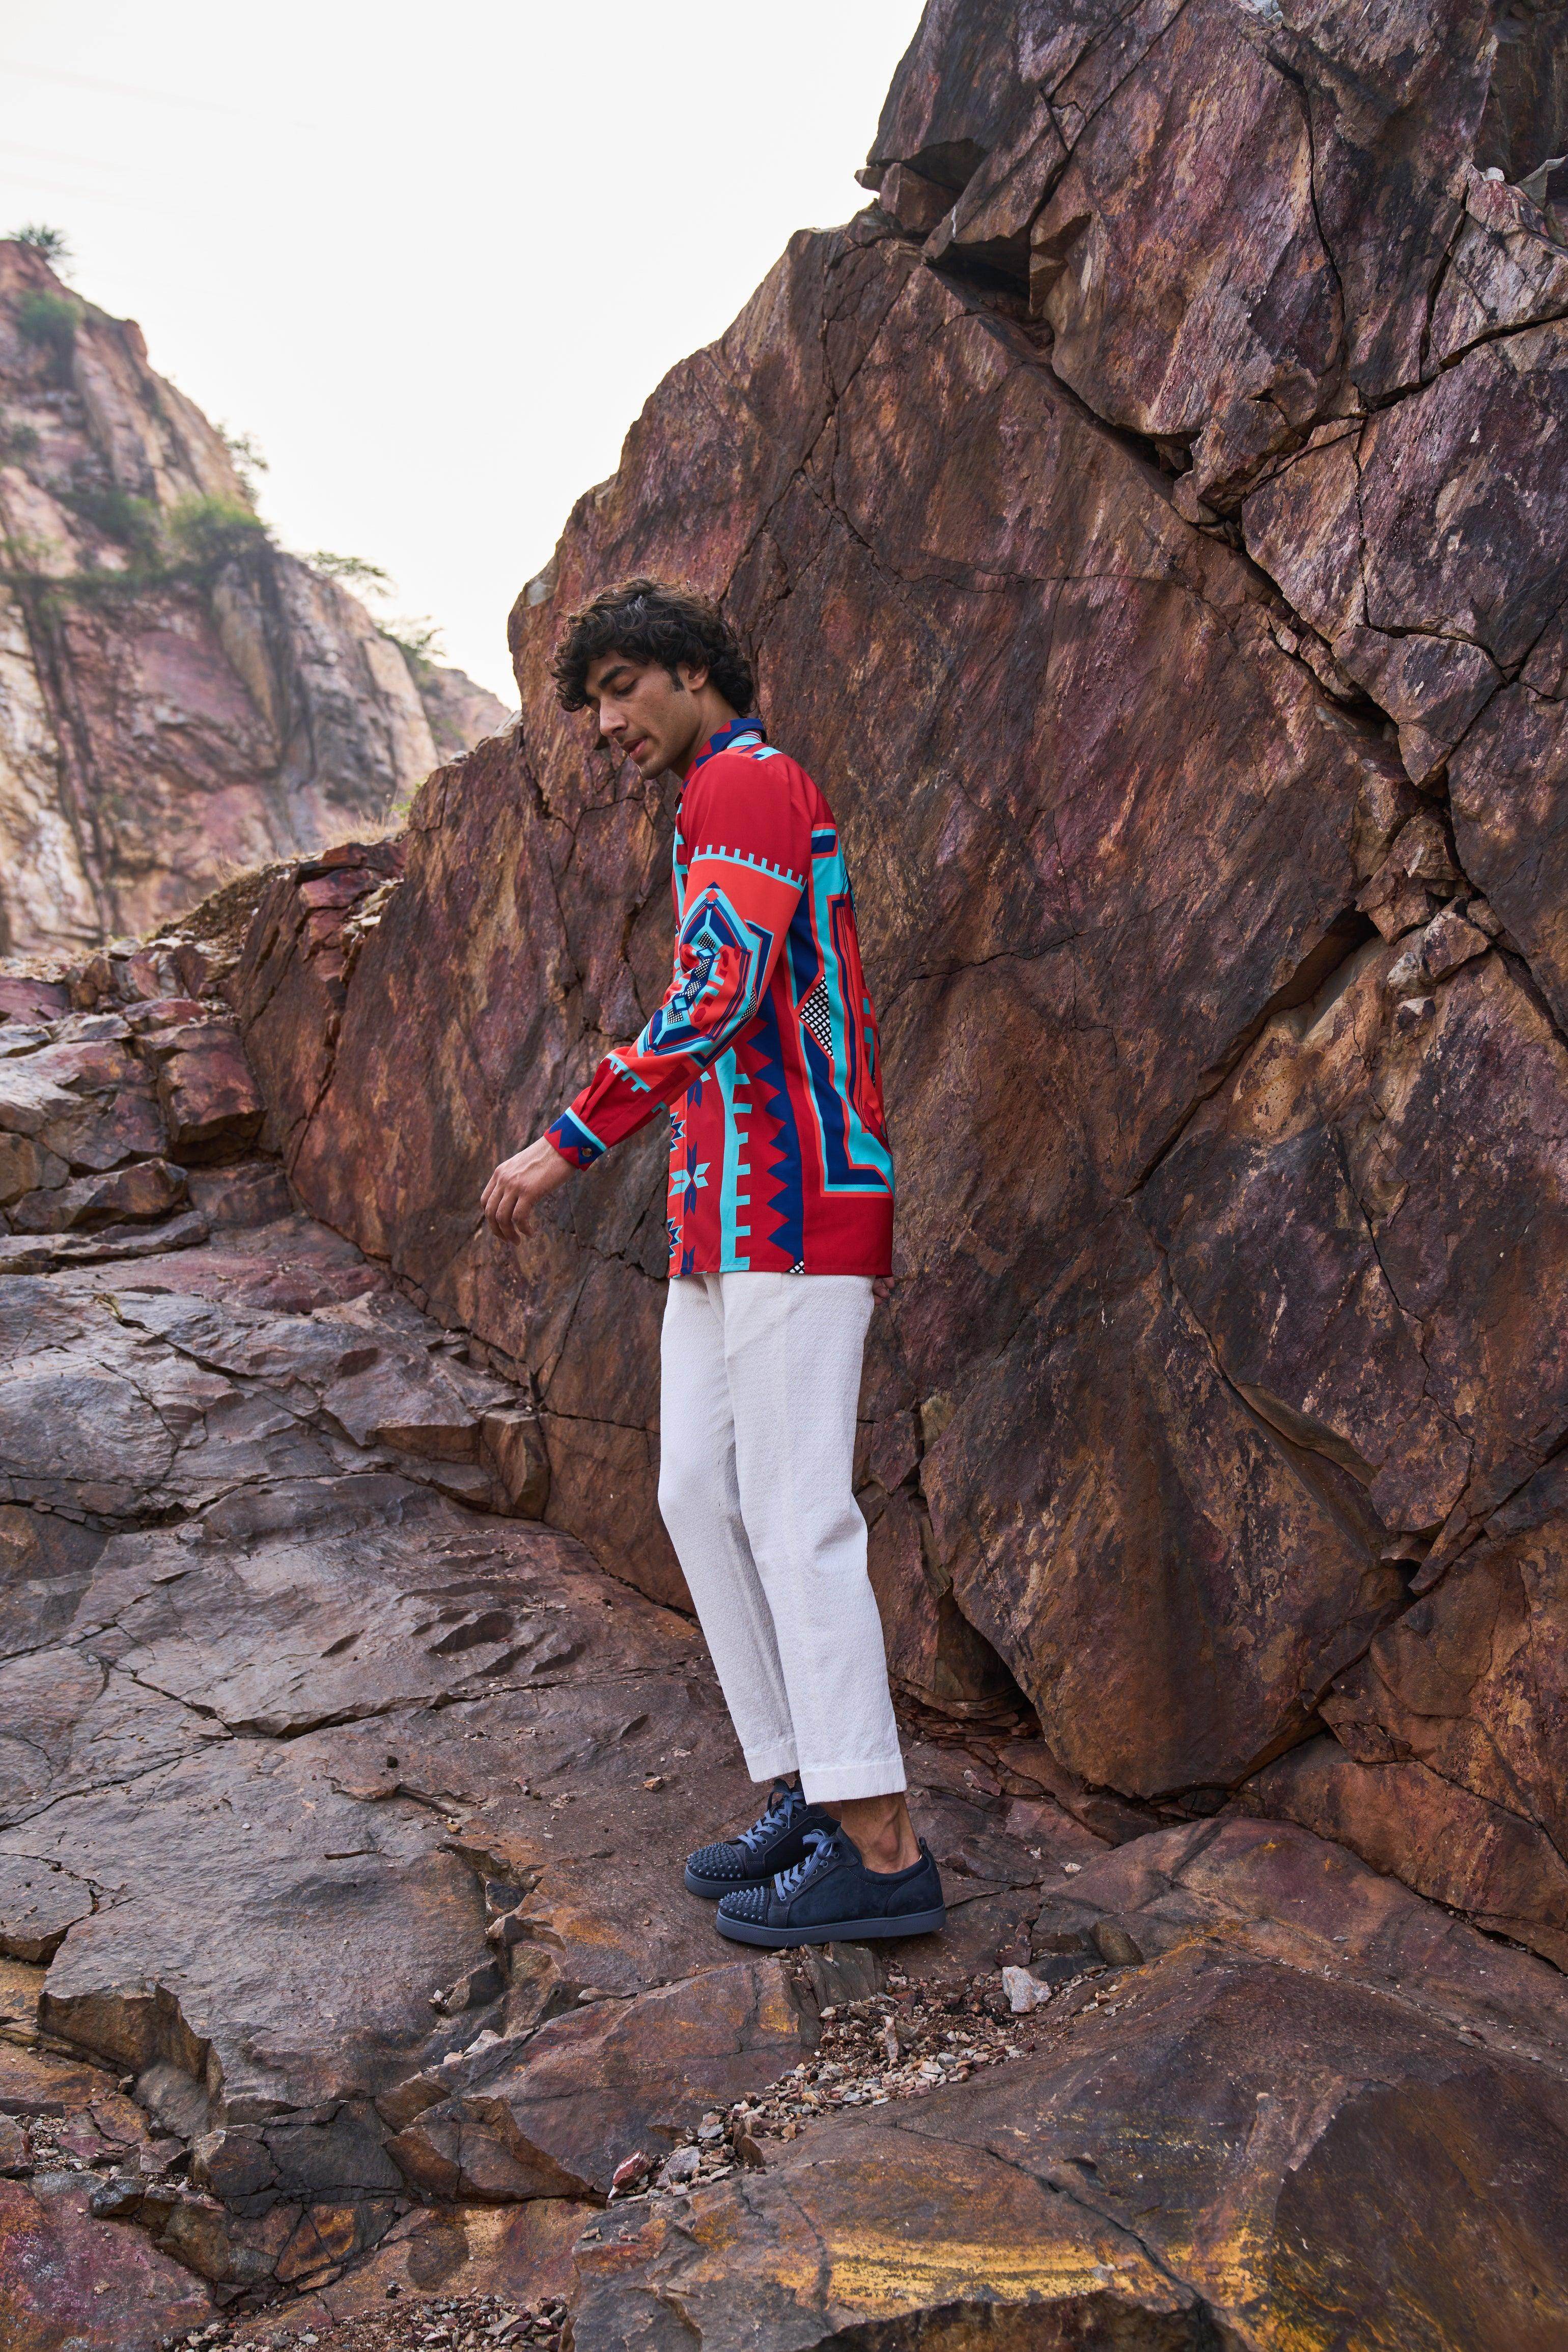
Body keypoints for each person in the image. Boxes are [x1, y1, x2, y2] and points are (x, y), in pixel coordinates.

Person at [482, 578, 943, 1949]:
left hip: (798, 1203)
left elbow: (724, 986)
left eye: (623, 685)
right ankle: (808, 1786)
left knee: (799, 1511)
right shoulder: (707, 804)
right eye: (592, 702)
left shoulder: (748, 780)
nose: (606, 721)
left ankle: (881, 1846)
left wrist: (568, 1138)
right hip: (726, 1221)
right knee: (697, 1490)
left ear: (695, 671)